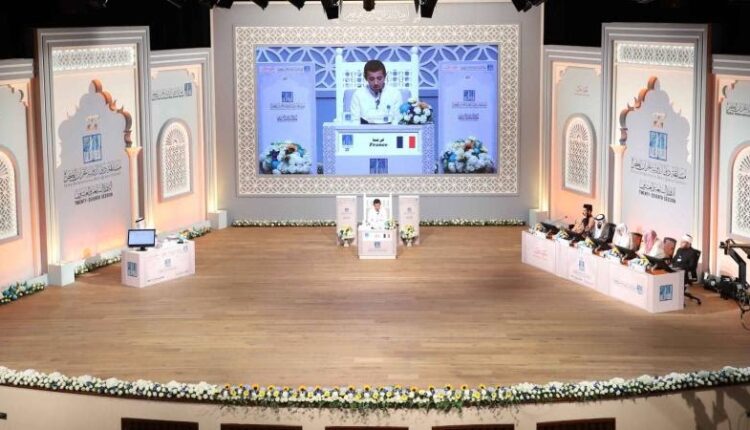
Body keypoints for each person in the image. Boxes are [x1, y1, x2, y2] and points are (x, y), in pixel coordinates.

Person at [349, 60, 404, 125]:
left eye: (379, 78)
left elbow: (397, 121)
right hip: (364, 129)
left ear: (385, 76)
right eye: (371, 79)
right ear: (365, 78)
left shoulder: (395, 94)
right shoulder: (358, 94)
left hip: (390, 129)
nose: (376, 83)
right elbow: (355, 122)